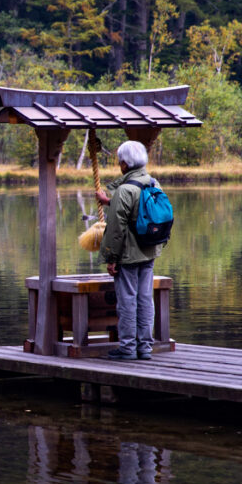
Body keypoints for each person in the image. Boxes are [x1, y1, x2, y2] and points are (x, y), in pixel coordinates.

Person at [96, 140, 166, 360]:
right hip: (149, 252)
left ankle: (127, 348)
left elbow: (116, 229)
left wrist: (111, 258)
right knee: (145, 299)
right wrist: (109, 201)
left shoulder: (125, 190)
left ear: (125, 164)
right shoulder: (154, 183)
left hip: (127, 256)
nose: (119, 164)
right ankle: (145, 348)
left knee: (127, 300)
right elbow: (143, 212)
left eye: (120, 161)